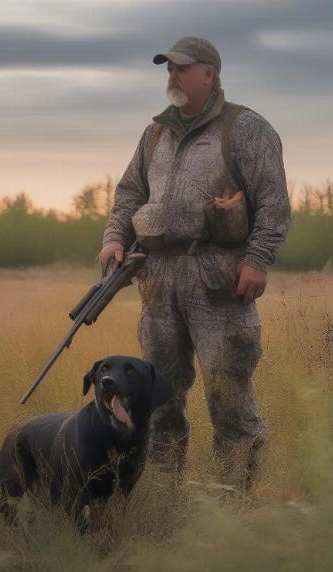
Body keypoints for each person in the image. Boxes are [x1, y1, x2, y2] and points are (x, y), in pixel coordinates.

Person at [99, 36, 291, 491]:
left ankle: (235, 501)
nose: (173, 76)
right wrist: (114, 238)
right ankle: (165, 492)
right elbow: (129, 194)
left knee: (229, 395)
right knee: (158, 396)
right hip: (158, 279)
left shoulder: (245, 128)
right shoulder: (154, 133)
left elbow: (274, 203)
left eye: (183, 68)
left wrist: (258, 259)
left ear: (210, 74)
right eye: (168, 68)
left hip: (218, 279)